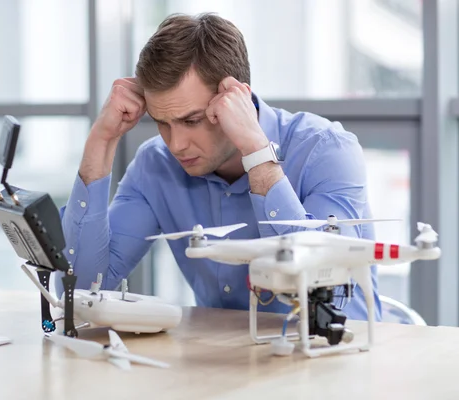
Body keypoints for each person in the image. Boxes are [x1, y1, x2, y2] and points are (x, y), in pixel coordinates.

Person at [57, 12, 381, 321]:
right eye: (162, 122)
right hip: (224, 363)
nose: (176, 144)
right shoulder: (155, 164)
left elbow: (316, 284)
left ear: (235, 98)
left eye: (191, 120)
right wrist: (102, 140)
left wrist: (256, 153)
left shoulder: (327, 150)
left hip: (338, 360)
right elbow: (82, 288)